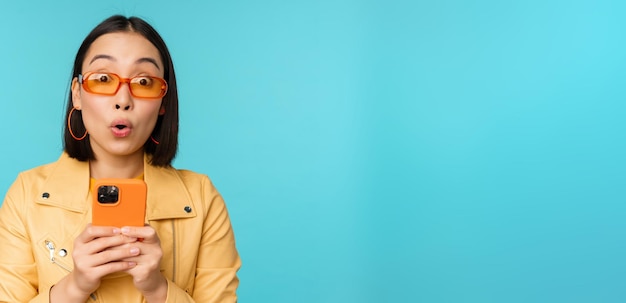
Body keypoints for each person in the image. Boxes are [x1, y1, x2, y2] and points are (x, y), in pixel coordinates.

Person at [0, 15, 241, 302]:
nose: (123, 99)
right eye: (103, 78)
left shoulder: (201, 198)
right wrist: (75, 287)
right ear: (77, 94)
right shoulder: (28, 195)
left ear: (163, 101)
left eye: (143, 81)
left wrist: (157, 288)